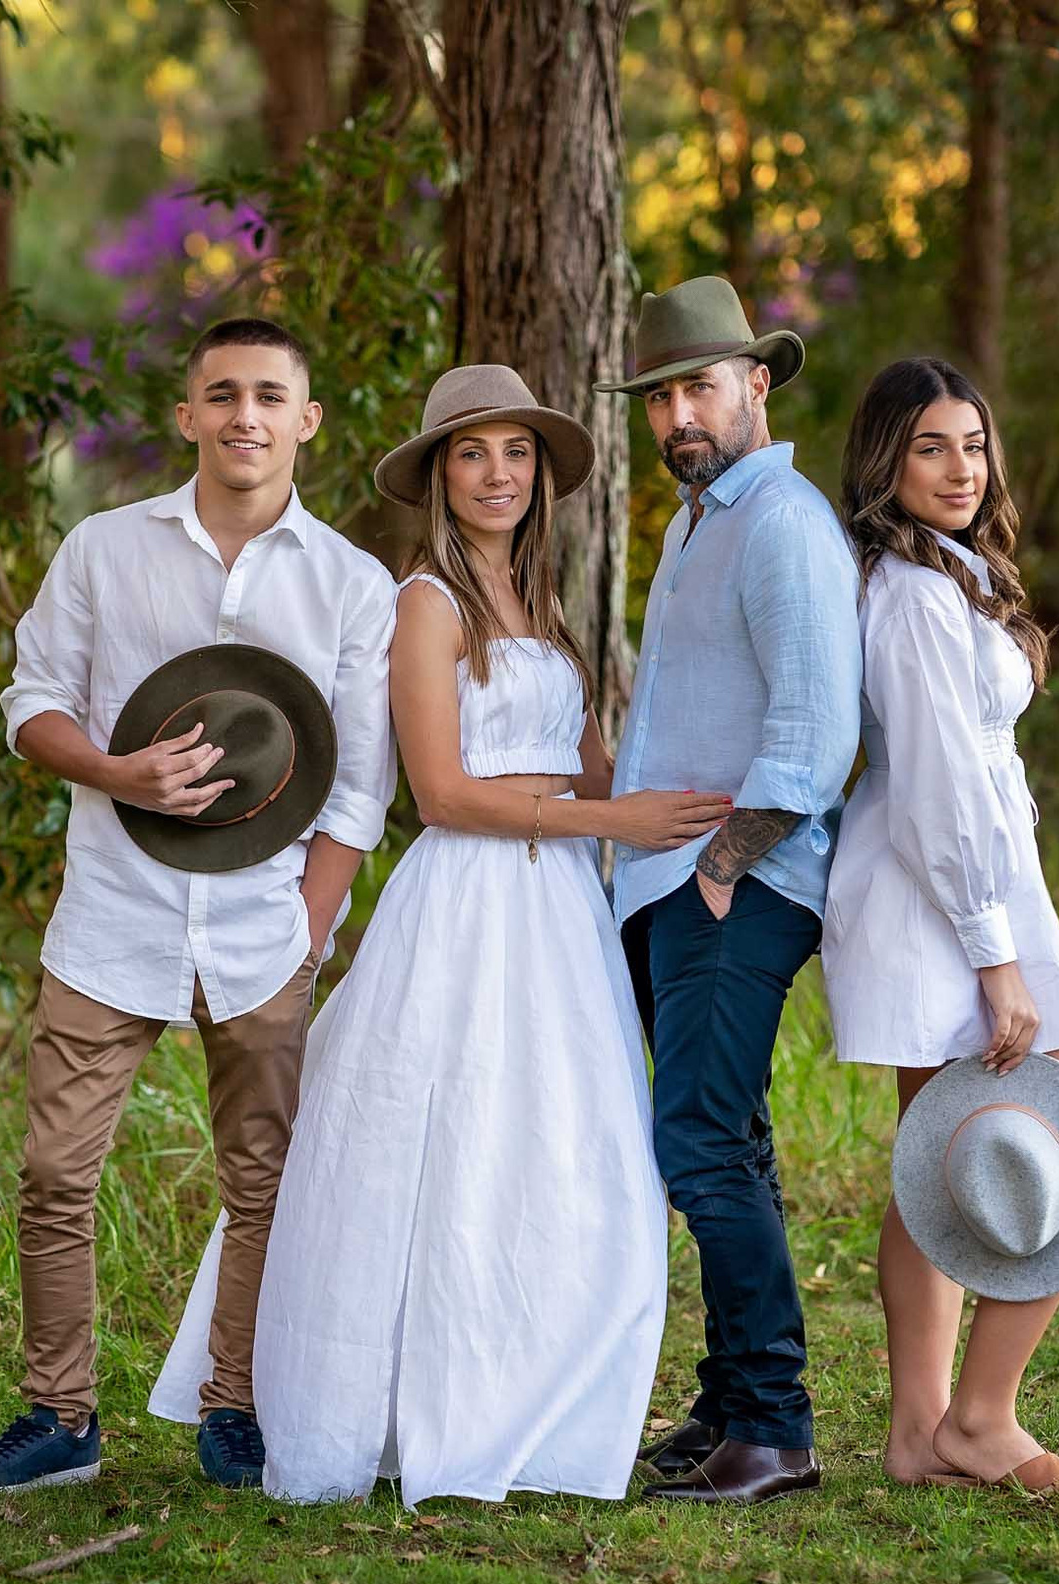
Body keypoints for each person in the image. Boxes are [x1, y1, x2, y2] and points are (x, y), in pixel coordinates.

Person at [153, 365, 726, 1504]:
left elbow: (596, 761)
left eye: (515, 452)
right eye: (472, 454)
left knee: (560, 1147)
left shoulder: (547, 602)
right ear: (438, 477)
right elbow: (444, 790)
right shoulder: (426, 602)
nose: (497, 474)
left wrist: (698, 804)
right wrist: (611, 817)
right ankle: (367, 1400)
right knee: (432, 1143)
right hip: (467, 896)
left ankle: (531, 1400)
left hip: (557, 907)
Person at [0, 318, 398, 1495]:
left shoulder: (351, 582)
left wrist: (309, 924)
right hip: (112, 912)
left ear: (307, 419)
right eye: (222, 392)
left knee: (265, 1180)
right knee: (55, 1171)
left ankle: (234, 1406)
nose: (246, 413)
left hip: (264, 929)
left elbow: (356, 789)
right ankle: (60, 1414)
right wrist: (113, 772)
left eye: (271, 394)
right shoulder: (103, 548)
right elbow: (30, 695)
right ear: (186, 415)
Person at [820, 356, 1059, 1497]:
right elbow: (939, 784)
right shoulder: (905, 593)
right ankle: (981, 1418)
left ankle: (917, 1430)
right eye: (929, 447)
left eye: (972, 445)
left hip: (974, 891)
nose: (957, 468)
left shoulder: (953, 573)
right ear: (886, 460)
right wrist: (997, 958)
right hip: (944, 902)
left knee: (937, 1168)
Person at [599, 277, 865, 1506]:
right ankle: (726, 1404)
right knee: (726, 1139)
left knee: (698, 1140)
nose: (676, 415)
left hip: (738, 880)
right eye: (658, 397)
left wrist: (717, 870)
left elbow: (816, 733)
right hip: (674, 882)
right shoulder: (700, 520)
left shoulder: (783, 522)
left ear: (757, 385)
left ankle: (772, 1424)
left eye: (698, 387)